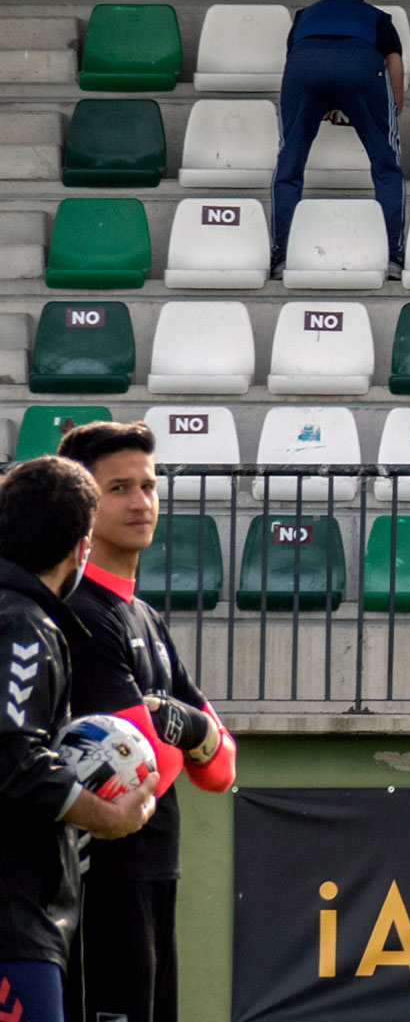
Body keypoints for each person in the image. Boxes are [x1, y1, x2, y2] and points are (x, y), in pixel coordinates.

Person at [57, 422, 235, 1022]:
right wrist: (194, 738)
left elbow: (222, 771)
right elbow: (148, 774)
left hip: (157, 870)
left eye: (150, 486)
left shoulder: (145, 618)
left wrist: (185, 727)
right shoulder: (79, 614)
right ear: (82, 501)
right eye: (120, 488)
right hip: (99, 877)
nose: (141, 503)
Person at [0, 457, 155, 1022]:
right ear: (81, 551)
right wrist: (105, 815)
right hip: (13, 926)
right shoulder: (22, 625)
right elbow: (13, 756)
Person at [268, 0, 406, 281]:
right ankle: (392, 255)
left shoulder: (305, 14)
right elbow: (394, 64)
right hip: (360, 62)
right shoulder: (379, 17)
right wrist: (392, 109)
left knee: (289, 163)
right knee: (386, 165)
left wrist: (322, 103)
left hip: (303, 64)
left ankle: (282, 255)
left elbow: (295, 59)